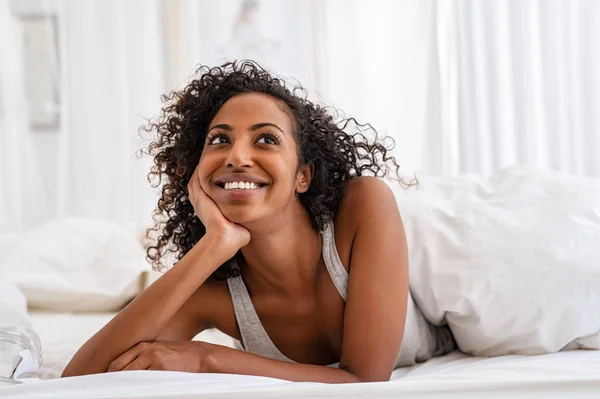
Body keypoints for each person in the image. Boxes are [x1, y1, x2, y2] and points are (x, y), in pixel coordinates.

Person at [62, 61, 454, 383]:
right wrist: (215, 243)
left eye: (265, 139)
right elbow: (79, 377)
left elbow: (365, 382)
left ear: (304, 176)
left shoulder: (363, 204)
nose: (237, 156)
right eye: (219, 140)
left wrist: (207, 359)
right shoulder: (213, 294)